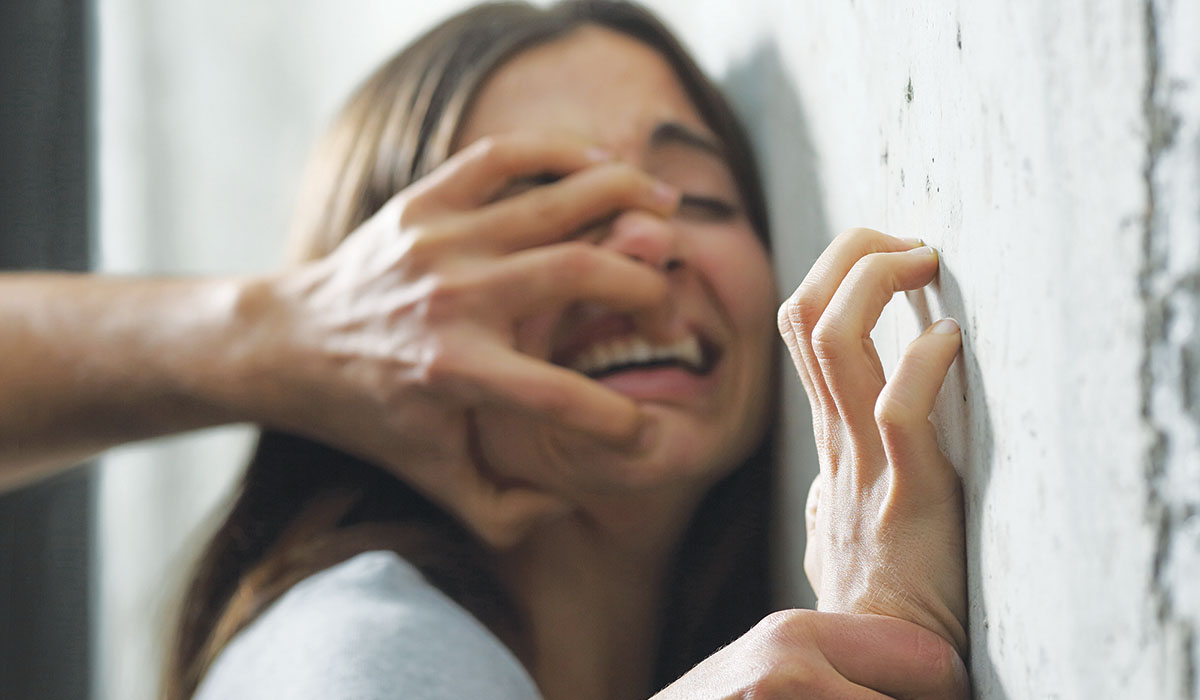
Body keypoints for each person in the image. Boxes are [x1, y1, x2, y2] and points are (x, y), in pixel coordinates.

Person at [0, 2, 969, 698]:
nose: (648, 241)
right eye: (542, 213)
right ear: (365, 322)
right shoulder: (359, 644)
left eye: (700, 197)